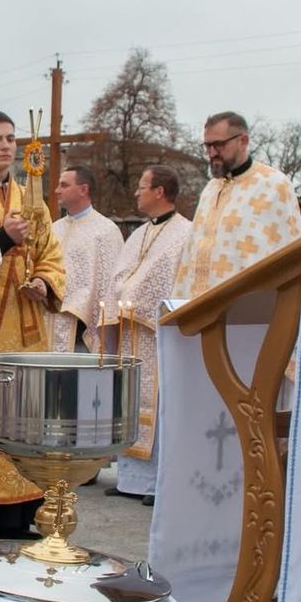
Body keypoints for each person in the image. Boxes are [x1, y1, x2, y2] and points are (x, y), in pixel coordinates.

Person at [0, 109, 66, 537]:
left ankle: (16, 518)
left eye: (10, 139)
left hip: (26, 327)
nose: (6, 146)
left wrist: (43, 280)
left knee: (24, 418)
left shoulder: (31, 195)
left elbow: (51, 254)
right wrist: (3, 239)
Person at [103, 165, 193, 505]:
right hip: (129, 331)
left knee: (157, 403)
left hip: (157, 334)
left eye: (142, 186)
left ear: (160, 192)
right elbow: (122, 273)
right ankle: (130, 479)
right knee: (126, 400)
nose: (137, 192)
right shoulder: (139, 233)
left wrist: (135, 299)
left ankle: (156, 483)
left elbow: (172, 278)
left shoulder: (186, 233)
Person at [171, 111, 301, 299]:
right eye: (207, 146)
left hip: (246, 309)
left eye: (219, 145)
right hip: (198, 308)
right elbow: (192, 251)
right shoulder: (210, 189)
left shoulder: (274, 184)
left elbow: (289, 252)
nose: (212, 153)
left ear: (243, 141)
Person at [49, 165, 123, 353]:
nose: (57, 190)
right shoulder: (54, 228)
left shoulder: (106, 230)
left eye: (64, 185)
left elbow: (108, 284)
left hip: (83, 328)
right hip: (50, 320)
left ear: (83, 190)